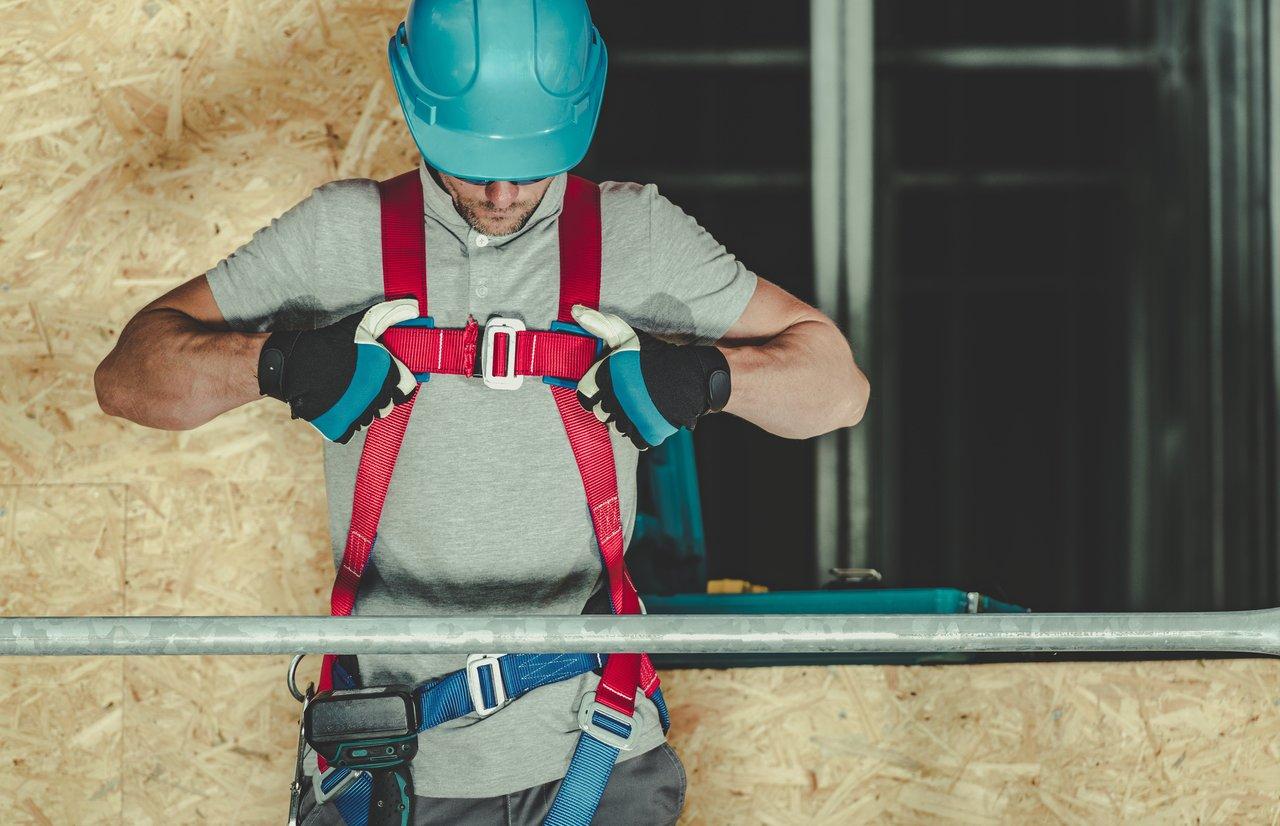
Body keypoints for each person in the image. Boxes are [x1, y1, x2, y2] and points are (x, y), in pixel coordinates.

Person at [94, 0, 870, 823]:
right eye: (471, 164)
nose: (501, 193)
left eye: (531, 165)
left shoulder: (633, 237)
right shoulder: (341, 236)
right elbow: (128, 376)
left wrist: (706, 380)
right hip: (392, 770)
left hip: (594, 754)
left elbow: (838, 387)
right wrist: (279, 366)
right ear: (419, 109)